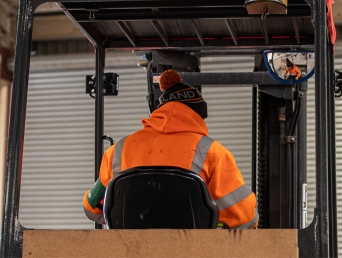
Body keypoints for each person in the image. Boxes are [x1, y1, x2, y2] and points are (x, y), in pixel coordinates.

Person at [83, 69, 259, 229]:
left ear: (159, 110)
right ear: (198, 115)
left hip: (132, 251)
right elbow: (245, 218)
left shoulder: (118, 150)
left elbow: (92, 208)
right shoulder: (212, 152)